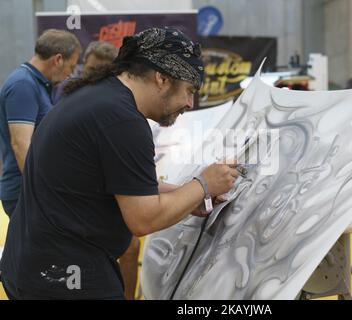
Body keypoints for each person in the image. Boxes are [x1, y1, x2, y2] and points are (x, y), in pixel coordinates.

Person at [0, 27, 239, 300]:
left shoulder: (99, 97)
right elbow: (143, 218)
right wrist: (204, 183)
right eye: (188, 90)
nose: (189, 102)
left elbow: (118, 182)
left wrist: (186, 194)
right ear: (162, 78)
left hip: (32, 266)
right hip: (63, 278)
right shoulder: (122, 120)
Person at [0, 29, 81, 218]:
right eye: (71, 66)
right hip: (25, 192)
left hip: (34, 188)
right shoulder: (23, 85)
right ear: (58, 59)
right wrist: (41, 191)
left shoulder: (39, 84)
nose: (70, 74)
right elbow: (21, 145)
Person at [53, 41, 118, 103]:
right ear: (84, 65)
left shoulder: (118, 96)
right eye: (91, 69)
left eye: (102, 72)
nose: (95, 75)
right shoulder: (67, 88)